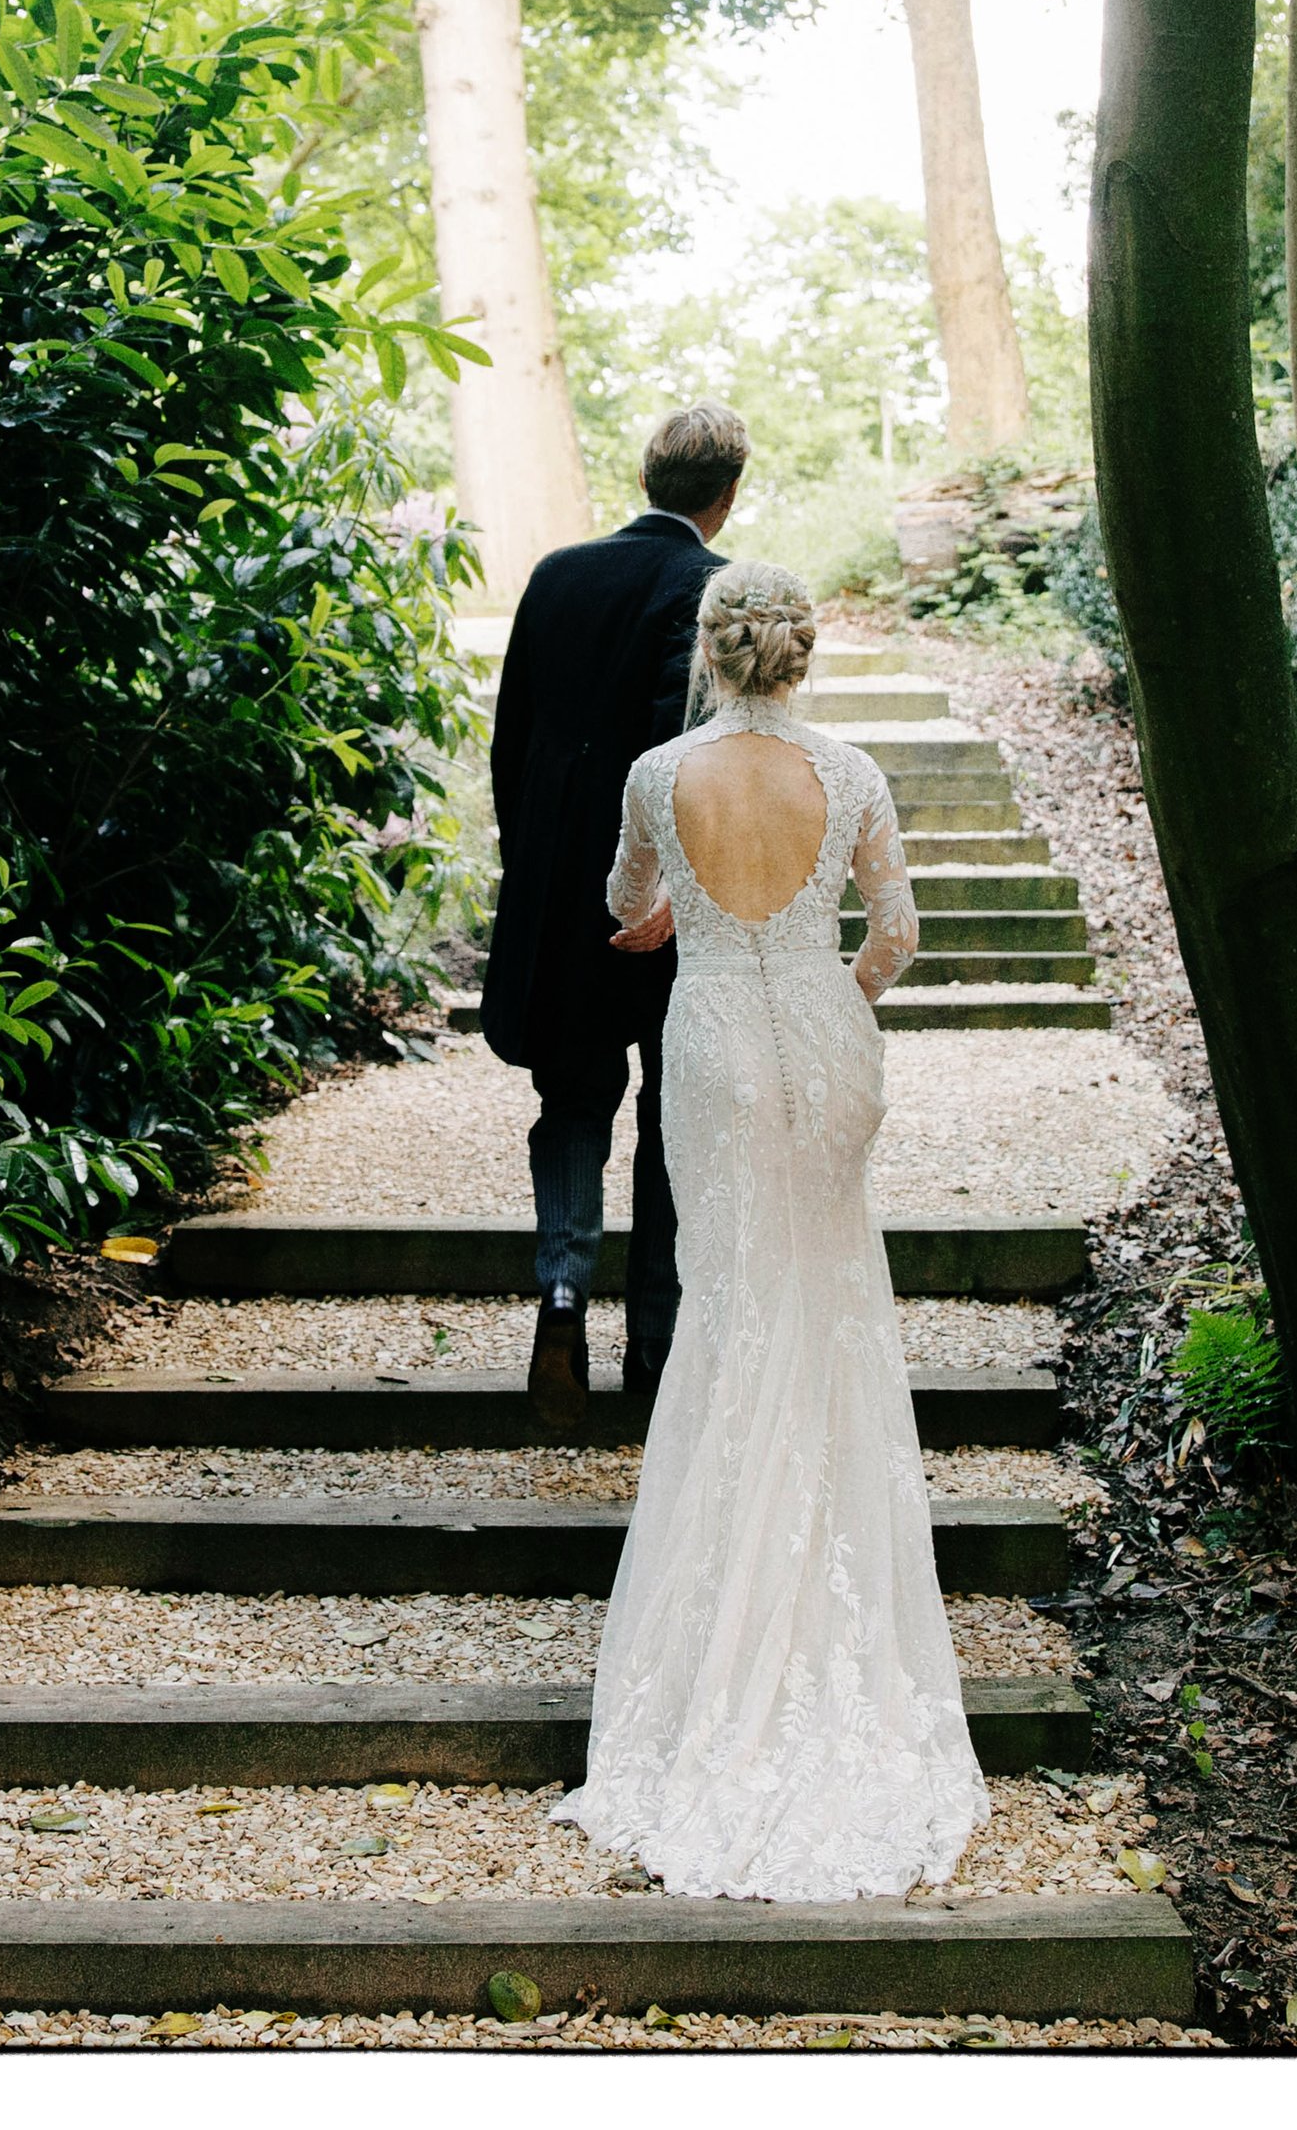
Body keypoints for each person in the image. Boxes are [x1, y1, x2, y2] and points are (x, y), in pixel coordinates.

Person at [551, 562, 988, 1899]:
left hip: (717, 1040)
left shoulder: (657, 771)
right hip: (823, 1030)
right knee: (831, 1301)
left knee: (736, 1304)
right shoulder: (851, 770)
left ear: (712, 649)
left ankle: (721, 1630)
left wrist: (681, 911)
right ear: (801, 655)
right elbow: (898, 934)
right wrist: (834, 981)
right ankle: (837, 1614)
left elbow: (628, 912)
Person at [480, 402, 749, 1430]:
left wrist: (544, 869)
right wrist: (677, 887)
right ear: (727, 494)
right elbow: (690, 747)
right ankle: (656, 1342)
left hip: (564, 898)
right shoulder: (714, 586)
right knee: (673, 1114)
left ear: (646, 478)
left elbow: (515, 745)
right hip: (674, 906)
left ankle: (559, 1291)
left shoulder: (555, 576)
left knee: (573, 1101)